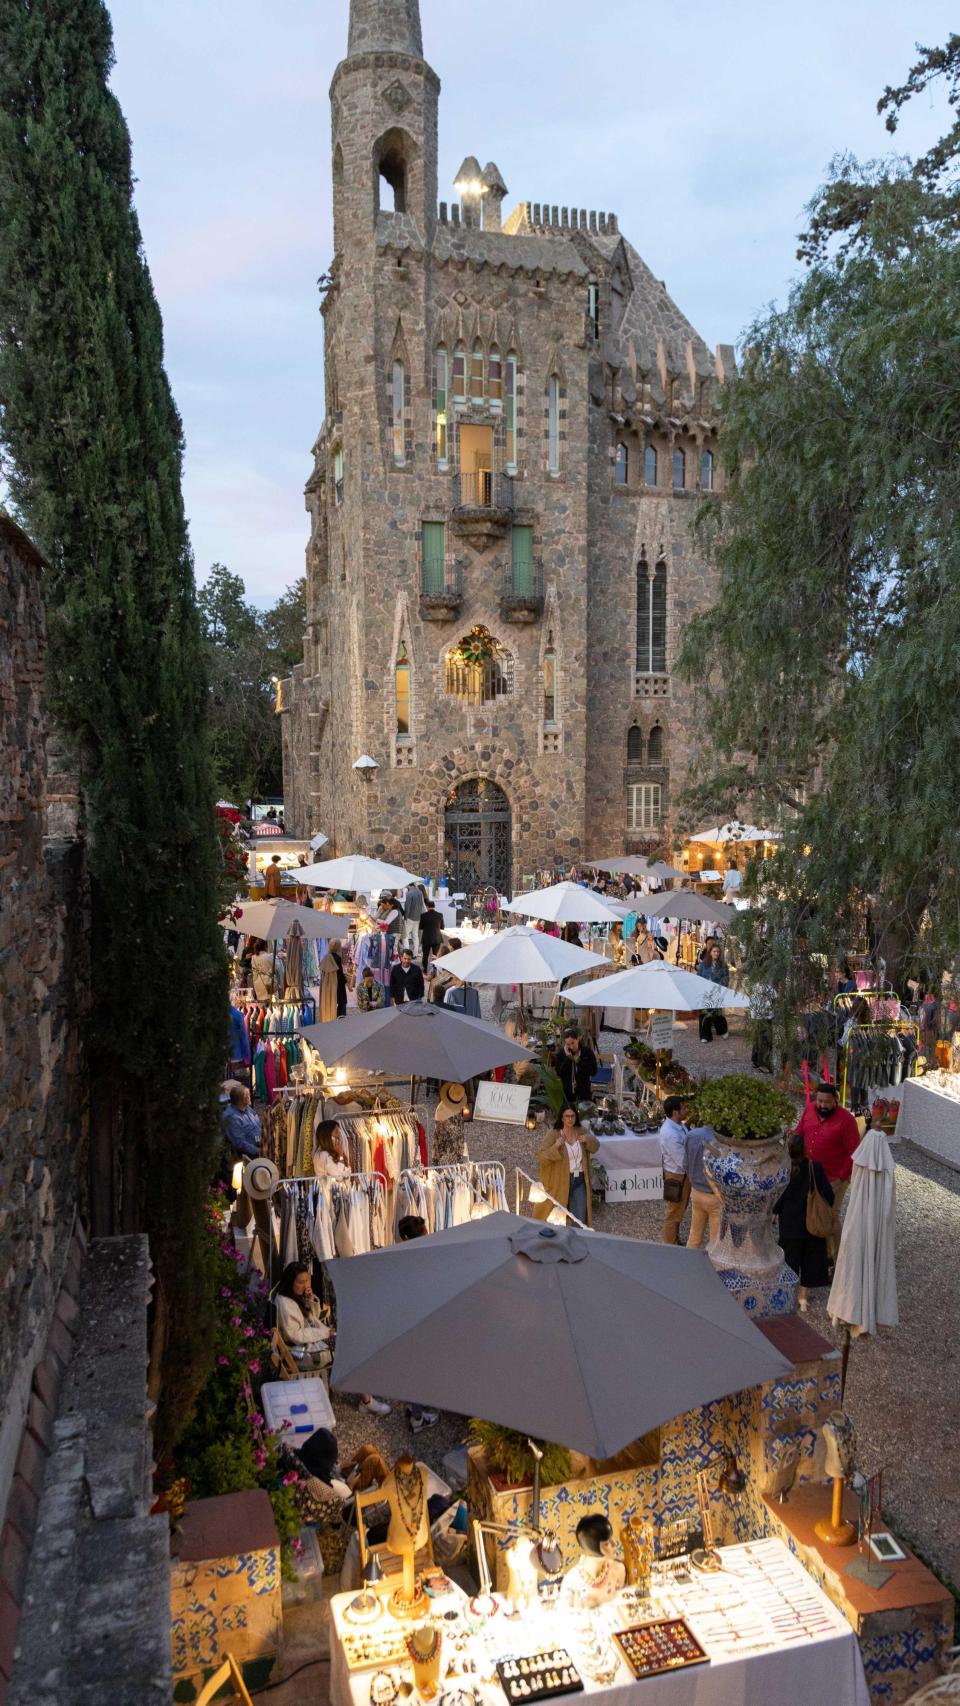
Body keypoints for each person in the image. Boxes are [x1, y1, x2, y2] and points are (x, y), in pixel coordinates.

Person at [793, 1083, 860, 1262]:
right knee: (812, 1211)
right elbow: (799, 1132)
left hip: (833, 1177)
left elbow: (854, 1150)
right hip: (809, 1173)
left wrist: (841, 1177)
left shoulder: (846, 1120)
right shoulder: (809, 1110)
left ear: (835, 1101)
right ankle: (819, 1252)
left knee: (829, 1216)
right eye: (820, 1101)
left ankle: (837, 1259)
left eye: (827, 1102)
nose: (822, 1105)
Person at [775, 1134, 835, 1310]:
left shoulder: (784, 1169)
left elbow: (778, 1198)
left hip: (790, 1223)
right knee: (810, 1260)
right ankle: (803, 1298)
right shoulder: (814, 1167)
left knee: (789, 1260)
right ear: (805, 1150)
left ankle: (788, 1295)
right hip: (812, 1222)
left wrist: (776, 1212)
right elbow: (829, 1195)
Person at [397, 1216, 440, 1432]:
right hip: (419, 1322)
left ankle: (412, 1406)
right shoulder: (421, 1258)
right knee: (418, 1368)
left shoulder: (401, 1256)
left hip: (406, 1321)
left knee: (410, 1366)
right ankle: (417, 1416)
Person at [533, 1105, 599, 1226]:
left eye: (572, 1116)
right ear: (562, 1118)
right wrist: (556, 1146)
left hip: (580, 1180)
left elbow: (596, 1146)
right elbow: (541, 1157)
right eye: (567, 1116)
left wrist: (587, 1139)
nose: (570, 1119)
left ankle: (576, 1240)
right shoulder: (554, 1134)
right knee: (555, 1213)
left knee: (579, 1217)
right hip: (561, 1180)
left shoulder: (581, 1131)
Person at [275, 1262, 333, 1372]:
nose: (306, 1286)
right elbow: (295, 1335)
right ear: (290, 1282)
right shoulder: (285, 1304)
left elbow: (314, 1318)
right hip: (301, 1352)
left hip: (312, 1341)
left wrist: (310, 1299)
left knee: (341, 1340)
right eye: (301, 1282)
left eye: (307, 1281)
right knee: (340, 1348)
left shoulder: (296, 1296)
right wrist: (325, 1333)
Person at [659, 1095, 691, 1244]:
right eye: (684, 1108)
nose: (687, 1110)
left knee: (678, 1211)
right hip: (677, 1177)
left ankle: (674, 1240)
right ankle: (670, 1245)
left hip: (681, 1175)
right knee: (673, 1214)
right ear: (675, 1112)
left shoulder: (678, 1125)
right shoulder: (670, 1134)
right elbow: (682, 1161)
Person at [685, 1121, 722, 1249]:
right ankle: (711, 1268)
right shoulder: (720, 1140)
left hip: (696, 1191)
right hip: (715, 1195)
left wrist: (693, 1179)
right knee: (715, 1240)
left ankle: (687, 1263)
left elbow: (685, 1163)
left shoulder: (691, 1135)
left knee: (694, 1235)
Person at [551, 1028, 598, 1104]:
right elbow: (559, 1072)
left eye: (573, 1043)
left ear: (578, 1039)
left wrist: (578, 1061)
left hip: (583, 1091)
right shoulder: (561, 1054)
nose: (571, 1047)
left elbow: (593, 1071)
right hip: (568, 1092)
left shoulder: (587, 1052)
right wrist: (568, 1058)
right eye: (568, 1044)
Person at [696, 940, 730, 1042]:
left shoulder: (723, 964)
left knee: (717, 1013)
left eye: (718, 952)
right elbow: (699, 977)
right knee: (704, 1013)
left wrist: (721, 987)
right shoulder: (703, 964)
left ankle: (723, 1030)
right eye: (714, 951)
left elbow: (726, 977)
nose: (716, 953)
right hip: (705, 992)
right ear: (710, 952)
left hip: (717, 992)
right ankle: (705, 1036)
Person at [221, 1083, 261, 1160]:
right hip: (250, 1156)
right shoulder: (232, 1117)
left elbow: (258, 1125)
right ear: (242, 1100)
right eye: (248, 1096)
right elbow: (240, 1143)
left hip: (260, 1145)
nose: (250, 1097)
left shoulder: (247, 1108)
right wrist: (259, 1151)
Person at [319, 939, 347, 1020]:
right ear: (337, 947)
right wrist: (346, 981)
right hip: (338, 985)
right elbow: (340, 974)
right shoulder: (337, 958)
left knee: (331, 1003)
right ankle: (340, 1020)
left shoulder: (326, 957)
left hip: (328, 985)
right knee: (342, 1003)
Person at [419, 897, 444, 970]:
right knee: (435, 955)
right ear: (434, 906)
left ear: (427, 906)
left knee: (425, 955)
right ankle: (435, 969)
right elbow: (442, 927)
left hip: (426, 938)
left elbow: (420, 927)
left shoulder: (423, 915)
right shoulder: (440, 915)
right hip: (437, 938)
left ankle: (425, 969)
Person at [401, 881, 425, 952]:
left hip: (410, 918)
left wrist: (405, 918)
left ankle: (407, 952)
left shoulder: (409, 893)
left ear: (408, 884)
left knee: (405, 936)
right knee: (415, 936)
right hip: (418, 917)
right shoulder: (420, 892)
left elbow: (407, 907)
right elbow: (421, 905)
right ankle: (415, 953)